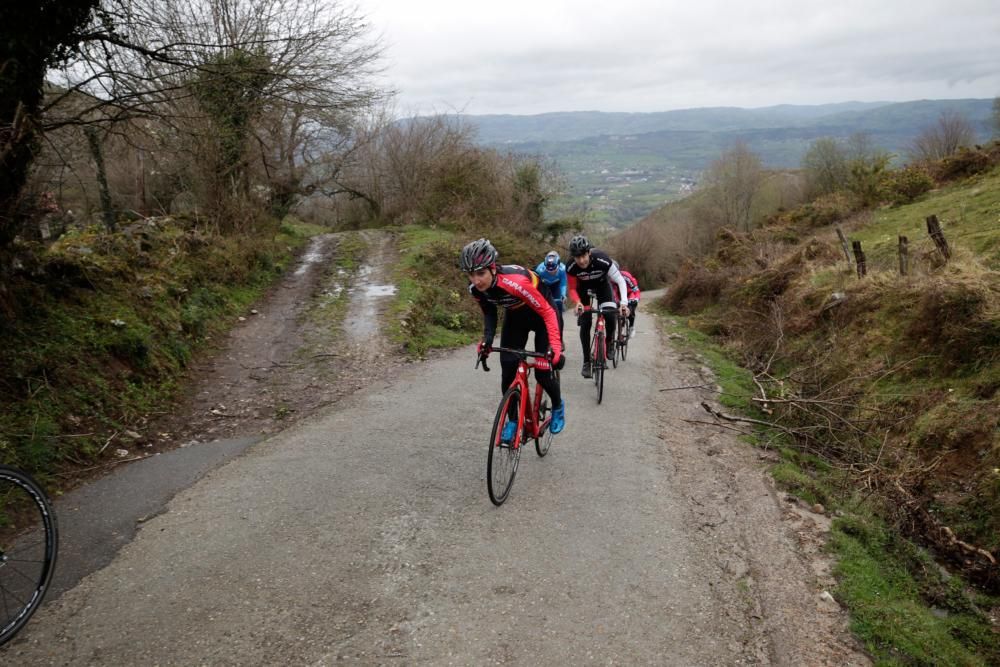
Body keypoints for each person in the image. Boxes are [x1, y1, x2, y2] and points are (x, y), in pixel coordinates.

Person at [461, 239, 566, 440]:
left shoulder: (515, 282)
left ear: (492, 268)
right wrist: (487, 340)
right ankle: (511, 420)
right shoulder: (476, 289)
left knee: (543, 373)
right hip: (516, 317)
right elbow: (489, 312)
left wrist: (555, 346)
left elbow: (548, 312)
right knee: (508, 372)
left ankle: (558, 405)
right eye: (471, 275)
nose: (476, 280)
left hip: (543, 315)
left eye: (480, 273)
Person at [565, 234, 630, 378]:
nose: (581, 260)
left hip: (602, 286)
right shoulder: (570, 266)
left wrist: (624, 303)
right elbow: (572, 288)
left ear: (589, 252)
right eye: (577, 257)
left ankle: (609, 342)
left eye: (583, 255)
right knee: (585, 322)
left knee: (610, 315)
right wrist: (578, 303)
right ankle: (587, 362)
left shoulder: (602, 259)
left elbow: (620, 280)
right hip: (583, 289)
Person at [535, 250, 567, 342]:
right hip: (545, 287)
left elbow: (563, 284)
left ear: (558, 264)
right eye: (548, 270)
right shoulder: (540, 269)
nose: (551, 272)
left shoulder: (563, 269)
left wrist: (563, 295)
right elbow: (536, 285)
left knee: (559, 315)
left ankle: (560, 339)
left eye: (553, 270)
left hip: (557, 287)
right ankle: (543, 338)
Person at [618, 268, 641, 334]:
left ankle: (631, 326)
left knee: (631, 310)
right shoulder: (609, 277)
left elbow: (636, 290)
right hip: (618, 294)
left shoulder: (626, 276)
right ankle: (620, 325)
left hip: (629, 293)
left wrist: (636, 299)